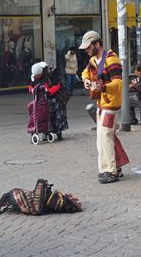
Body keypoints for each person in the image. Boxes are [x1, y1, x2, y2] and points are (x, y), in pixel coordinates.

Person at [80, 30, 129, 184]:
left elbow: (119, 83)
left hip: (110, 104)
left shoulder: (111, 59)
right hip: (102, 103)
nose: (87, 50)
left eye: (89, 47)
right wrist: (86, 80)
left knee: (105, 136)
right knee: (106, 137)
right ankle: (117, 167)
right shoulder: (94, 60)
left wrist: (104, 88)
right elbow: (84, 73)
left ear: (97, 44)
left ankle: (110, 171)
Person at [29, 61, 68, 140]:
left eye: (38, 75)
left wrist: (48, 91)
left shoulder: (51, 72)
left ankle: (58, 132)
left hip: (57, 95)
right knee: (44, 112)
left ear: (41, 72)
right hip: (43, 97)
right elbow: (31, 85)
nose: (36, 77)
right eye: (35, 76)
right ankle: (45, 131)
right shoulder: (35, 76)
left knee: (57, 112)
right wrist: (33, 90)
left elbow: (57, 85)